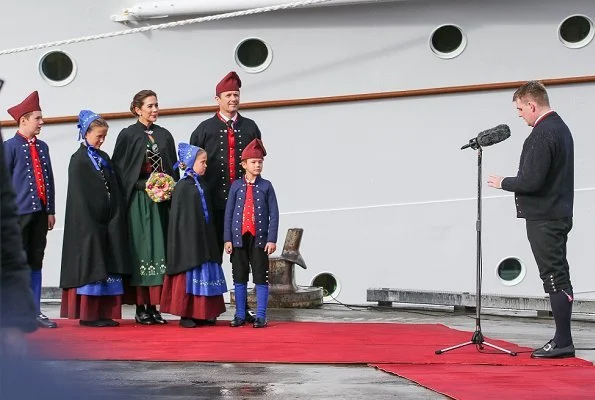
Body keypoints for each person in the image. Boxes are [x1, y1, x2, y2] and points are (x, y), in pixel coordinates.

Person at [487, 80, 575, 359]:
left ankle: (562, 342)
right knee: (559, 274)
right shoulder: (560, 128)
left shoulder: (541, 133)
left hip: (545, 217)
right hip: (558, 213)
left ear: (532, 104)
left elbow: (531, 181)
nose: (519, 114)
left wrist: (503, 182)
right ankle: (563, 340)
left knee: (553, 277)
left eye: (520, 108)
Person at [190, 71, 262, 322]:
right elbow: (192, 168)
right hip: (212, 203)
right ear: (217, 98)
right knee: (211, 255)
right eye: (228, 95)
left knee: (244, 257)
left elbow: (256, 164)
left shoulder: (250, 126)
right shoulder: (204, 129)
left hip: (244, 206)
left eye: (236, 94)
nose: (233, 99)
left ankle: (242, 308)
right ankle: (208, 309)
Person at [111, 90, 179, 325]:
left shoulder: (164, 135)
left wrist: (166, 187)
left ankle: (155, 306)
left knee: (159, 249)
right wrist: (142, 184)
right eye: (149, 106)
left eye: (156, 105)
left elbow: (172, 168)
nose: (154, 110)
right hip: (138, 201)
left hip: (160, 203)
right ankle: (141, 307)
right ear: (138, 109)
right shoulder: (128, 135)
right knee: (142, 249)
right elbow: (119, 170)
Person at [59, 111, 131, 327]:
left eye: (104, 137)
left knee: (108, 263)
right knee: (93, 263)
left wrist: (114, 215)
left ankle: (104, 312)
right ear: (86, 133)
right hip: (89, 223)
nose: (101, 140)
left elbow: (113, 187)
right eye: (98, 136)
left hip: (108, 222)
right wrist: (92, 219)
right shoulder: (79, 160)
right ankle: (89, 315)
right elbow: (80, 195)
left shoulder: (104, 158)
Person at [4, 91, 57, 329]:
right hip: (17, 215)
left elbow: (49, 180)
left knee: (36, 260)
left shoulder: (43, 147)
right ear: (24, 119)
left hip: (39, 213)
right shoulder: (9, 147)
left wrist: (50, 210)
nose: (42, 122)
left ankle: (34, 311)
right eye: (38, 118)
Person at [161, 143, 228, 328]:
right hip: (189, 243)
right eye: (203, 162)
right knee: (190, 275)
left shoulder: (203, 186)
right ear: (191, 162)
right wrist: (188, 239)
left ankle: (205, 312)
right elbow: (179, 220)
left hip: (205, 239)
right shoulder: (182, 187)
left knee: (207, 270)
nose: (206, 165)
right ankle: (187, 313)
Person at [224, 139, 278, 328]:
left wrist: (271, 239)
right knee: (239, 276)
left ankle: (261, 315)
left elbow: (274, 214)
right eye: (253, 162)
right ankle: (240, 315)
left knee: (260, 277)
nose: (257, 165)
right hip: (239, 239)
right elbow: (229, 214)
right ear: (244, 164)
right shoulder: (236, 186)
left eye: (260, 162)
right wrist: (227, 239)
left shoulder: (267, 186)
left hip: (260, 240)